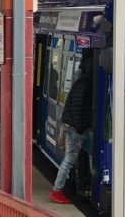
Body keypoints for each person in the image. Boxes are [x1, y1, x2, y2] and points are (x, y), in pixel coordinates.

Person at [50, 64, 93, 204]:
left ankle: (91, 185)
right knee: (69, 160)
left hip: (80, 128)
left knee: (94, 153)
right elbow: (77, 108)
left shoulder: (81, 83)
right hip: (77, 129)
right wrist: (80, 128)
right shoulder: (85, 85)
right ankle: (57, 191)